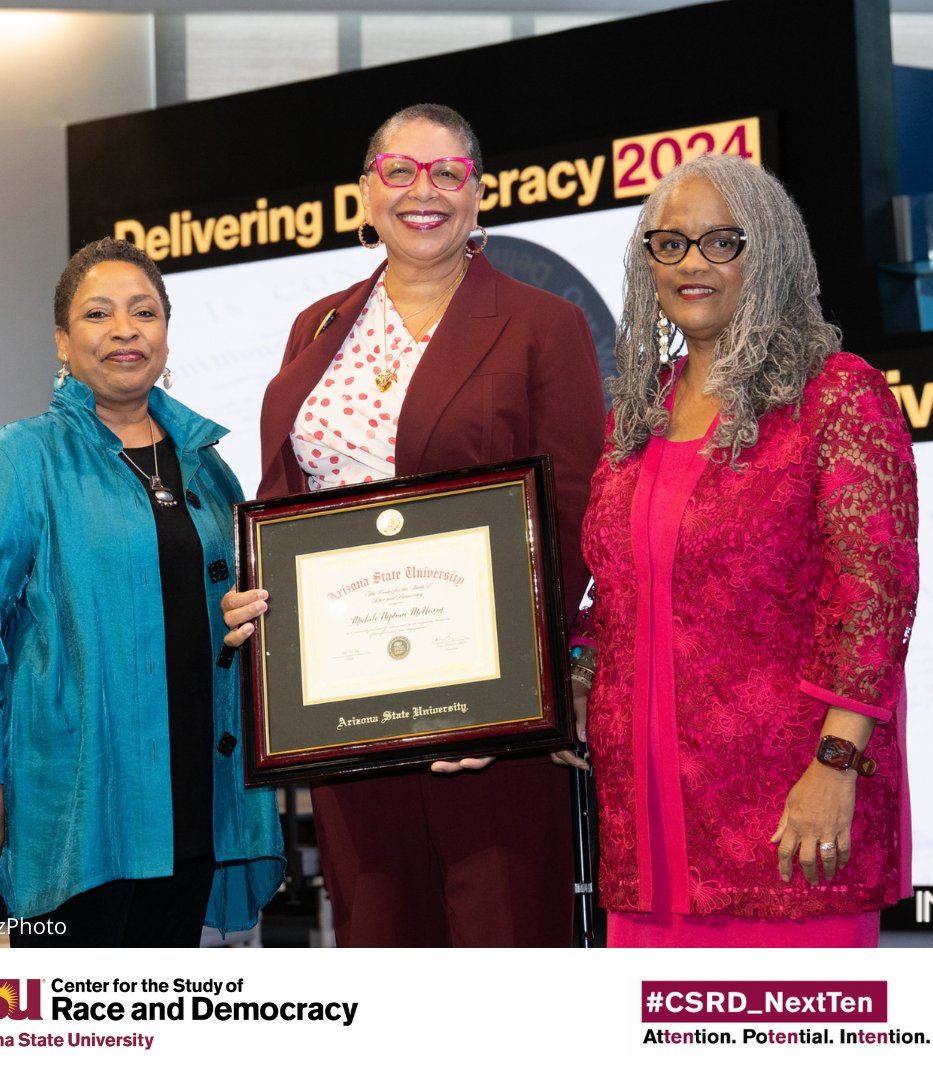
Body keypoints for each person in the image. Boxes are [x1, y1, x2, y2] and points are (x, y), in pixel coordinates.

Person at [223, 103, 605, 947]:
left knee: (500, 938)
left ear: (479, 193)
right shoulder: (317, 326)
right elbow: (288, 496)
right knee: (377, 934)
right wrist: (258, 595)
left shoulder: (545, 324)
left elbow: (575, 512)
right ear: (365, 192)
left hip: (488, 718)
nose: (421, 192)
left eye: (447, 173)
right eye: (399, 171)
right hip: (346, 702)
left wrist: (498, 702)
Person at [575, 153, 919, 947]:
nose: (691, 263)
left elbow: (874, 596)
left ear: (768, 253)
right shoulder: (638, 412)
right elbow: (618, 592)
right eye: (669, 244)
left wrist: (836, 766)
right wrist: (577, 674)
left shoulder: (836, 394)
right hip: (646, 829)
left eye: (720, 242)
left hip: (788, 817)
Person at [0, 237, 284, 947]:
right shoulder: (14, 461)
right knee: (71, 1037)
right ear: (62, 339)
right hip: (74, 808)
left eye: (144, 311)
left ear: (167, 334)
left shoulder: (210, 471)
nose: (124, 330)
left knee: (153, 1024)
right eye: (98, 314)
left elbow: (232, 607)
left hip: (194, 801)